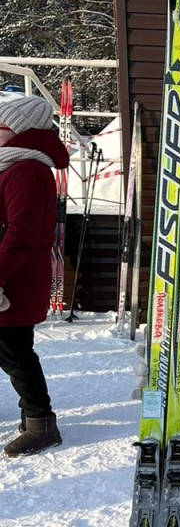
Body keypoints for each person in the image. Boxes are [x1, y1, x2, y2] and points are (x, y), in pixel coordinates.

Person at [0, 92, 69, 456]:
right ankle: (34, 416)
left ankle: (41, 423)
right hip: (13, 275)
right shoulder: (15, 166)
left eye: (0, 126)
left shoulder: (25, 170)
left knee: (15, 352)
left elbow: (21, 233)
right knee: (11, 351)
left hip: (15, 280)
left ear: (19, 131)